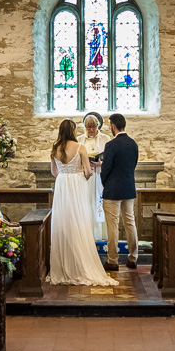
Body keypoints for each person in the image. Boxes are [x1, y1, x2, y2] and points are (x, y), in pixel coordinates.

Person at [47, 120, 116, 287]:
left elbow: (54, 172)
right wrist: (78, 176)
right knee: (79, 222)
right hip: (77, 186)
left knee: (63, 222)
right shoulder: (80, 147)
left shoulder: (55, 149)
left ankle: (63, 266)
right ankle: (80, 264)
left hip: (62, 185)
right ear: (72, 131)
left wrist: (65, 176)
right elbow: (88, 171)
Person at [98, 112, 139, 271]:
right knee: (130, 222)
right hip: (128, 187)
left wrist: (105, 183)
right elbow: (133, 165)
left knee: (113, 225)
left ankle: (113, 260)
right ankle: (133, 258)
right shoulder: (133, 143)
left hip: (113, 189)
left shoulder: (111, 145)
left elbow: (106, 168)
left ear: (113, 126)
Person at [80, 111, 107, 247]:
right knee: (86, 202)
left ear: (98, 126)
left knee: (98, 202)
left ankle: (99, 233)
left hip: (100, 175)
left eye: (93, 127)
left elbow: (110, 157)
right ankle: (86, 232)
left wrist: (101, 163)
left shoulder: (105, 138)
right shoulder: (79, 140)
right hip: (85, 176)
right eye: (88, 127)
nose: (91, 130)